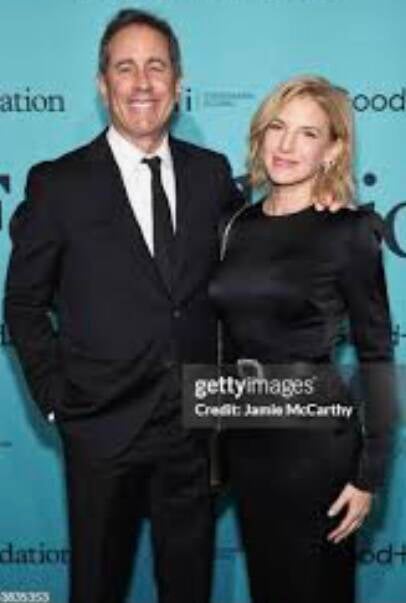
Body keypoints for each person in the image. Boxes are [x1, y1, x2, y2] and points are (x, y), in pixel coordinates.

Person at [3, 8, 245, 603]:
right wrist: (57, 401)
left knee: (189, 588)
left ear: (178, 84)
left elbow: (248, 273)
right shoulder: (58, 184)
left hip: (194, 430)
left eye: (156, 67)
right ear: (102, 83)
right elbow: (23, 302)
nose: (142, 83)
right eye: (125, 67)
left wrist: (320, 213)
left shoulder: (212, 175)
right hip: (101, 428)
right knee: (97, 587)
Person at [210, 75, 394, 603]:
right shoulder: (234, 226)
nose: (287, 144)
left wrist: (370, 474)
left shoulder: (348, 231)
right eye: (278, 127)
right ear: (260, 134)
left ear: (332, 149)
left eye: (308, 133)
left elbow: (377, 354)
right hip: (248, 444)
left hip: (317, 449)